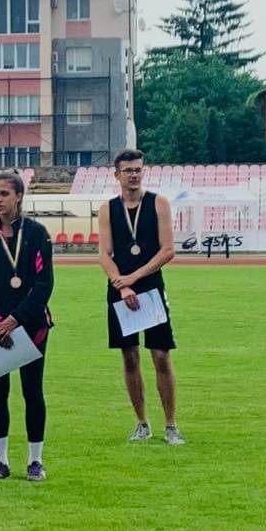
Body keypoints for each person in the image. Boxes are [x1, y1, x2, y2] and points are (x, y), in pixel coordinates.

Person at [0, 171, 54, 480]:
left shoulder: (37, 233)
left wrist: (14, 320)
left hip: (31, 326)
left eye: (4, 193)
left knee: (32, 391)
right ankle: (0, 461)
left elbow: (44, 284)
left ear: (18, 196)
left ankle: (35, 461)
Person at [97, 148, 183, 445]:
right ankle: (141, 423)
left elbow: (167, 250)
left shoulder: (158, 203)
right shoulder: (108, 209)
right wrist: (121, 286)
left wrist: (134, 278)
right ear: (117, 174)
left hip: (150, 287)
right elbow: (104, 254)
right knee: (130, 356)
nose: (134, 175)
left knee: (160, 355)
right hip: (120, 289)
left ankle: (170, 425)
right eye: (128, 170)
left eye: (138, 169)